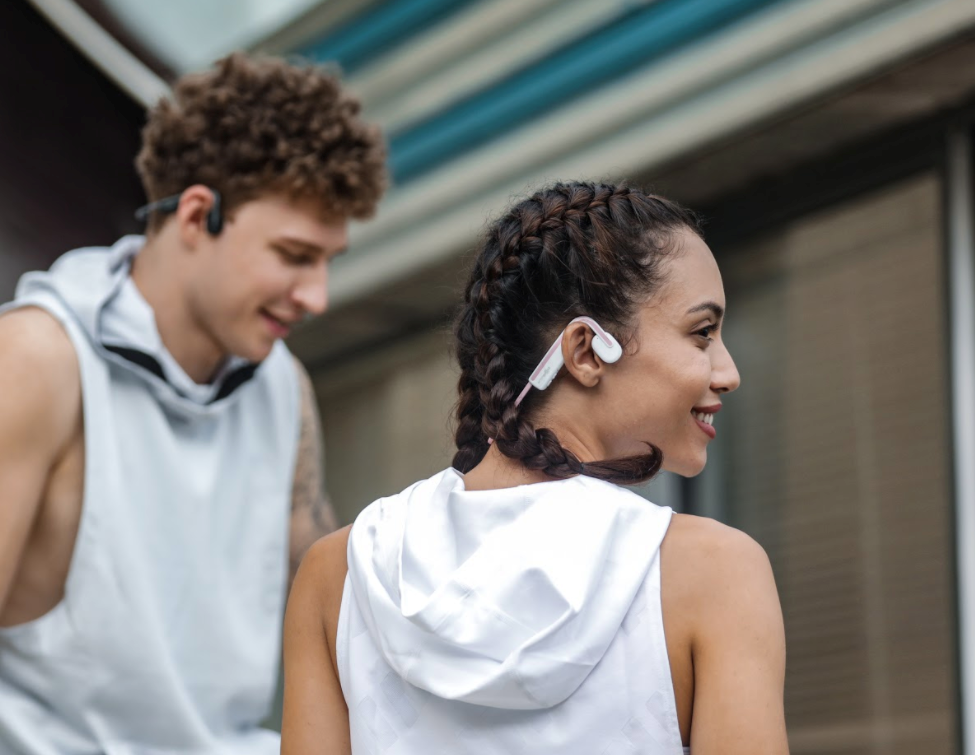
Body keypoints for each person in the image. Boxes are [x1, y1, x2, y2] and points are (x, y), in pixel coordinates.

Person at [0, 52, 387, 755]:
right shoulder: (34, 360)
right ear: (197, 214)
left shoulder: (284, 388)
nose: (317, 295)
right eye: (294, 254)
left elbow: (346, 620)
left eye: (329, 261)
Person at [281, 182, 788, 754]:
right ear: (587, 351)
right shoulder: (713, 573)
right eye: (702, 334)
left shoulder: (339, 574)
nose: (728, 372)